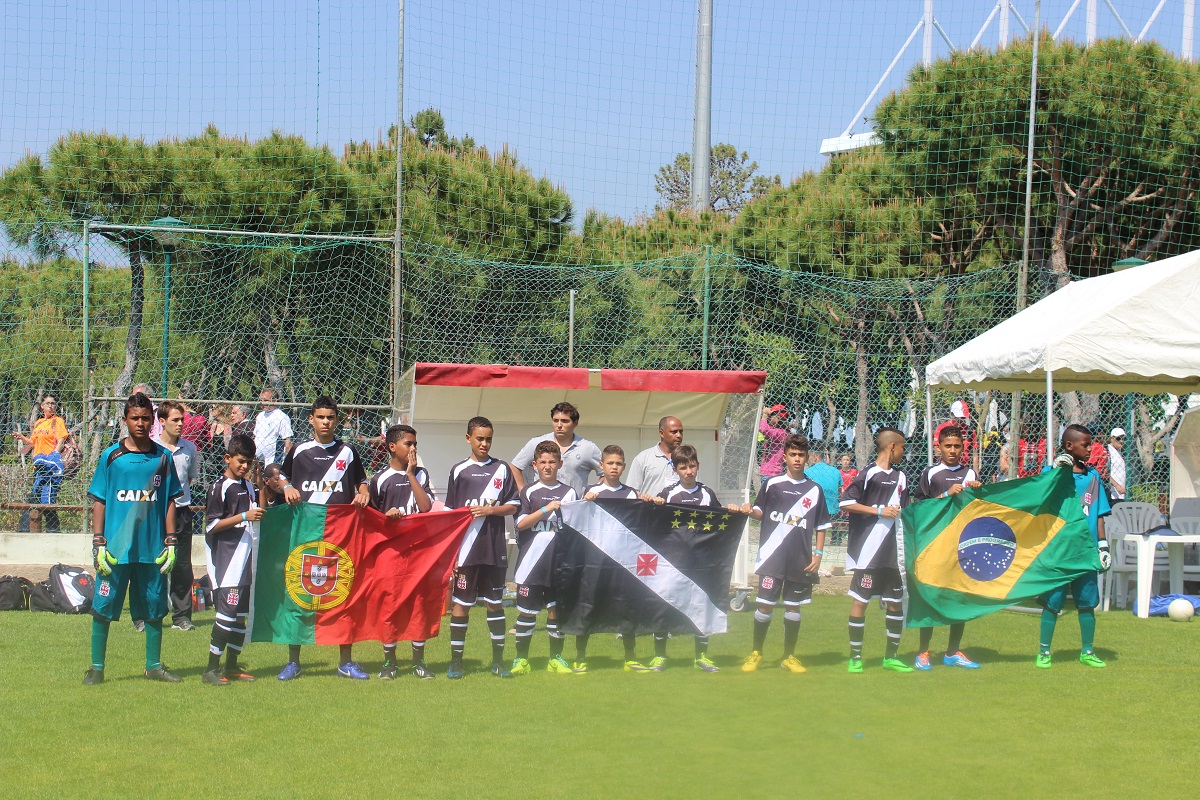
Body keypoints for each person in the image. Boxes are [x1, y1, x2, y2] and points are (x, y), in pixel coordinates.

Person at [83, 392, 183, 685]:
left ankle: (153, 666)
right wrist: (98, 541)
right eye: (134, 418)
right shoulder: (111, 456)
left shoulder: (163, 458)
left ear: (153, 421)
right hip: (115, 549)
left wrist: (171, 540)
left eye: (145, 418)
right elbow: (99, 500)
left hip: (152, 549)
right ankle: (96, 668)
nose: (140, 423)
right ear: (125, 420)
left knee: (154, 607)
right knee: (103, 607)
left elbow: (169, 501)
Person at [277, 396, 371, 681]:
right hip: (306, 534)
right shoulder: (300, 450)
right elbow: (281, 476)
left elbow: (361, 481)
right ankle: (294, 661)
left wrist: (364, 491)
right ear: (311, 419)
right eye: (321, 417)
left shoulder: (348, 451)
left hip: (340, 535)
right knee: (299, 594)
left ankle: (346, 661)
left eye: (330, 417)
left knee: (343, 594)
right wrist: (287, 487)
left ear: (337, 420)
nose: (326, 422)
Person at [740, 434, 830, 674]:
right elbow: (760, 512)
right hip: (772, 558)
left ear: (807, 457)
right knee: (765, 606)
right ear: (785, 456)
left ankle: (789, 656)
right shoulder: (772, 485)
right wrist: (750, 510)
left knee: (793, 608)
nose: (797, 459)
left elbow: (821, 525)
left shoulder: (814, 490)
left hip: (800, 561)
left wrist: (818, 555)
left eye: (801, 455)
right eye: (793, 454)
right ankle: (756, 652)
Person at [648, 444, 741, 673]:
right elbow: (652, 522)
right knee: (664, 605)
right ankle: (660, 656)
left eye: (691, 466)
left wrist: (730, 511)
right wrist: (655, 504)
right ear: (675, 469)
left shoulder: (707, 493)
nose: (688, 471)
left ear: (697, 466)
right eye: (683, 467)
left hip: (701, 563)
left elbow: (720, 523)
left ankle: (701, 656)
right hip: (673, 562)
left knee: (702, 607)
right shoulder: (668, 493)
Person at [445, 416, 520, 680]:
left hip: (494, 550)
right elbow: (451, 516)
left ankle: (498, 662)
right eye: (479, 438)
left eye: (488, 438)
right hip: (466, 552)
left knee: (494, 604)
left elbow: (514, 505)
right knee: (461, 604)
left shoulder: (502, 469)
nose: (484, 443)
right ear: (468, 438)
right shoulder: (459, 470)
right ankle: (456, 662)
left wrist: (491, 510)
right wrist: (451, 554)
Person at [1037, 425, 1111, 670]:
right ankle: (1044, 651)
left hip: (1086, 550)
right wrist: (1059, 471)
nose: (1091, 448)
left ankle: (1087, 651)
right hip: (1059, 550)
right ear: (1069, 446)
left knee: (1087, 602)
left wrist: (1102, 546)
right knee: (1053, 602)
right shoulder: (1052, 471)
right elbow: (1041, 497)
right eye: (1086, 444)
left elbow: (1099, 514)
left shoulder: (1093, 477)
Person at [911, 425, 983, 670]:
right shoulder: (931, 473)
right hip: (934, 545)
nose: (952, 451)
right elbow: (919, 509)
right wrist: (945, 495)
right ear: (938, 446)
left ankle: (953, 651)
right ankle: (923, 652)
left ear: (964, 447)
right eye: (947, 446)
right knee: (929, 597)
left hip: (960, 546)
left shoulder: (970, 472)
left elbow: (977, 510)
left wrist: (979, 492)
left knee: (959, 597)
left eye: (957, 446)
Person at [840, 427, 912, 674]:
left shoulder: (902, 477)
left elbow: (907, 511)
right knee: (861, 602)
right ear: (892, 447)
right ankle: (856, 657)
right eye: (902, 447)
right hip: (868, 553)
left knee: (895, 603)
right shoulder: (868, 473)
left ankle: (890, 656)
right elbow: (846, 502)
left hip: (893, 554)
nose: (904, 451)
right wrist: (878, 511)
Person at [368, 424, 437, 680]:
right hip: (391, 553)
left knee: (418, 605)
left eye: (415, 444)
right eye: (408, 444)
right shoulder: (379, 479)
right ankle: (390, 661)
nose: (413, 449)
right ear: (392, 447)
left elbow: (425, 507)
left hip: (418, 551)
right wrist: (386, 517)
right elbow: (371, 520)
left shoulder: (421, 474)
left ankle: (419, 661)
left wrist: (410, 475)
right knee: (391, 606)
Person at [582, 445, 653, 672]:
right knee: (588, 606)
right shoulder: (590, 492)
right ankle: (580, 657)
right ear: (601, 466)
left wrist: (652, 504)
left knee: (627, 608)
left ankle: (630, 657)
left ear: (624, 466)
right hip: (596, 560)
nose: (614, 467)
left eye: (618, 463)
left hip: (624, 562)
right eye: (610, 463)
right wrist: (584, 503)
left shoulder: (632, 494)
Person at [511, 440, 579, 676]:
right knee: (527, 612)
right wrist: (546, 509)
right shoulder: (528, 491)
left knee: (555, 611)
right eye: (543, 462)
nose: (548, 466)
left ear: (560, 464)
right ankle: (521, 659)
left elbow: (575, 527)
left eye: (552, 462)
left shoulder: (569, 492)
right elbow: (521, 524)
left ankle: (555, 658)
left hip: (558, 562)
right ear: (534, 465)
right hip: (531, 562)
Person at [201, 433, 262, 686]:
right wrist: (243, 516)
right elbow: (211, 526)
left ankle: (232, 665)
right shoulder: (219, 487)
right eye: (240, 461)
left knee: (240, 615)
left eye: (249, 462)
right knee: (226, 614)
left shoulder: (248, 486)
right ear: (227, 458)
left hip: (246, 559)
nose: (244, 466)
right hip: (227, 561)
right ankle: (210, 669)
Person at [153, 400, 201, 632]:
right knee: (153, 563)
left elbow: (189, 480)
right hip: (154, 512)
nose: (181, 424)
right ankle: (150, 614)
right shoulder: (150, 448)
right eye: (175, 420)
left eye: (182, 419)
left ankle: (182, 616)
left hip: (182, 512)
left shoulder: (190, 449)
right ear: (162, 422)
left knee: (182, 565)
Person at [511, 402, 603, 494]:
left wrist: (593, 492)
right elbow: (514, 467)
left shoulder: (588, 448)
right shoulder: (536, 443)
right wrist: (524, 494)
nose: (559, 425)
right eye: (555, 420)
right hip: (539, 505)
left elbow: (606, 473)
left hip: (573, 505)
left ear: (575, 423)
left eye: (564, 421)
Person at [11, 395, 69, 532]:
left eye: (53, 403)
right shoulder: (38, 422)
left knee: (47, 498)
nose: (51, 406)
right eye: (48, 403)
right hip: (40, 466)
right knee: (35, 496)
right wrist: (22, 437)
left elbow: (61, 440)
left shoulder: (57, 421)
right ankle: (27, 530)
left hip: (50, 464)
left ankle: (52, 531)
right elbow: (33, 442)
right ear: (42, 406)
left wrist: (55, 453)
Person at [627, 416, 684, 497]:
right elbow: (632, 492)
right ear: (662, 433)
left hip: (678, 509)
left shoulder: (687, 459)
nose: (679, 435)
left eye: (681, 432)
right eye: (674, 432)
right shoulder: (643, 458)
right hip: (651, 509)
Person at [254, 388, 294, 466]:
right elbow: (256, 436)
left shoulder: (281, 417)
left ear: (274, 401)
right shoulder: (260, 416)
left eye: (265, 400)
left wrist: (285, 462)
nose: (262, 403)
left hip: (273, 460)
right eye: (261, 400)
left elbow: (288, 442)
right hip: (257, 460)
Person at [804, 445, 842, 517]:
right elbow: (840, 491)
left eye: (809, 457)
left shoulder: (808, 472)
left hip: (815, 508)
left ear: (815, 457)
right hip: (833, 508)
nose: (808, 459)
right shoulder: (836, 471)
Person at [758, 404, 790, 484]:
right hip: (769, 472)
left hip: (772, 473)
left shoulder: (781, 433)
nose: (769, 417)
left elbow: (763, 429)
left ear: (778, 418)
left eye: (771, 415)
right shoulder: (778, 431)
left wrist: (765, 415)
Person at [1107, 427, 1127, 501]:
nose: (1121, 441)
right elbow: (1105, 473)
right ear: (1112, 438)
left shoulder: (1119, 452)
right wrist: (1117, 486)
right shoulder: (1108, 451)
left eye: (1123, 438)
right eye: (1118, 438)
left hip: (1120, 492)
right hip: (1112, 492)